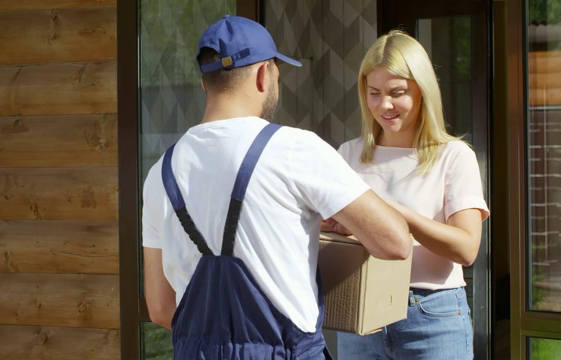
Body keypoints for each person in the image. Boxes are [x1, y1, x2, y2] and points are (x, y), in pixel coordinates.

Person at [141, 15, 412, 359]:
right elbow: (395, 242)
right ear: (262, 74)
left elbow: (161, 309)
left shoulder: (160, 173)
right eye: (277, 75)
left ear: (204, 84)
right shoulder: (294, 149)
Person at [331, 30, 490, 359]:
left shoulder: (453, 156)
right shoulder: (348, 154)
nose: (384, 105)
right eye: (374, 93)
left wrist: (396, 216)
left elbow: (466, 248)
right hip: (361, 314)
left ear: (423, 92)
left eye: (397, 92)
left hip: (433, 317)